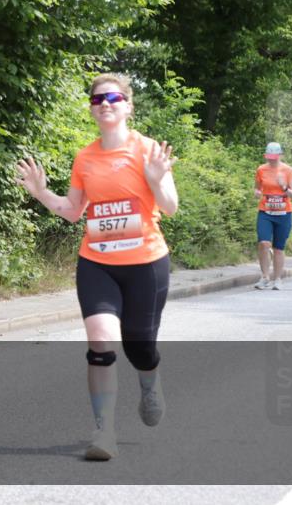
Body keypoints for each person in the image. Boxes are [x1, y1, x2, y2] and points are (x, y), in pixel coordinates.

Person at [16, 73, 178, 461]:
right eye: (97, 99)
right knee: (101, 340)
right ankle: (104, 432)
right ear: (91, 109)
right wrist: (40, 192)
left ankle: (150, 381)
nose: (105, 103)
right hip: (97, 263)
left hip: (145, 263)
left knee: (140, 347)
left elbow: (170, 207)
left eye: (114, 97)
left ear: (128, 105)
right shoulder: (85, 158)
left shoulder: (148, 150)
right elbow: (73, 211)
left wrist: (156, 181)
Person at [253, 142, 292, 291]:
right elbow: (257, 188)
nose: (271, 160)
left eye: (274, 157)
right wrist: (257, 193)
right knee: (263, 243)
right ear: (266, 156)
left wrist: (284, 187)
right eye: (269, 157)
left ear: (280, 155)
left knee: (278, 248)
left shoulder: (288, 170)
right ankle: (265, 277)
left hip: (284, 214)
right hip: (265, 212)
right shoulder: (261, 169)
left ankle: (277, 279)